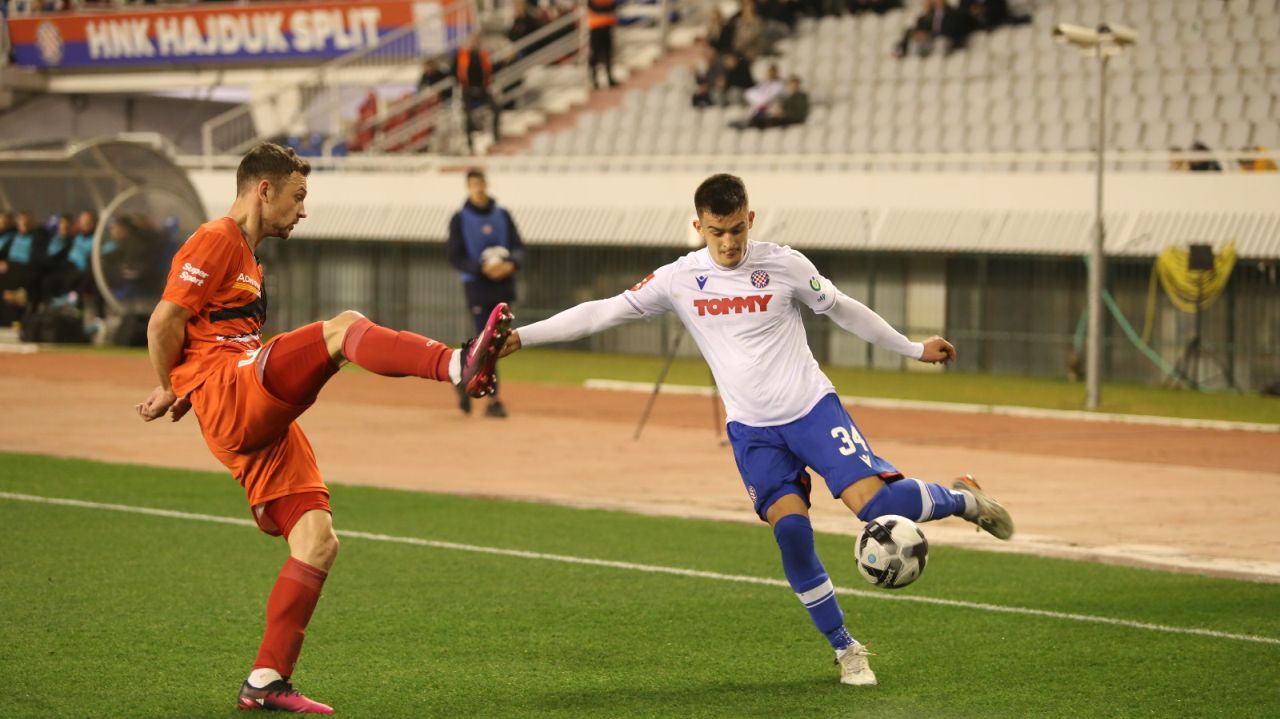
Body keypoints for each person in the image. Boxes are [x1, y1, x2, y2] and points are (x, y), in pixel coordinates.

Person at [495, 174, 1014, 685]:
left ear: (751, 219)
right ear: (698, 227)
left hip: (812, 410)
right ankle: (846, 648)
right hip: (753, 431)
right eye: (716, 232)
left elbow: (843, 310)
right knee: (791, 533)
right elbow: (602, 312)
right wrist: (523, 337)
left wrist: (913, 348)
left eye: (737, 229)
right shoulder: (679, 278)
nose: (728, 242)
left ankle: (964, 501)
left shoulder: (785, 265)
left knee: (878, 506)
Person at [135, 143, 513, 713]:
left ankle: (266, 681)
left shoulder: (250, 259)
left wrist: (186, 383)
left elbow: (206, 329)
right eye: (298, 196)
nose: (303, 209)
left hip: (242, 401)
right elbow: (164, 320)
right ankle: (458, 365)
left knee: (317, 541)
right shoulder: (216, 238)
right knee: (343, 329)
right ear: (264, 190)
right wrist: (170, 384)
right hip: (230, 389)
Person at [447, 168, 525, 418]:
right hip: (478, 286)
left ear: (486, 184)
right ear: (468, 187)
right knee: (487, 341)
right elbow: (455, 256)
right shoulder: (460, 218)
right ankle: (493, 399)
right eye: (474, 184)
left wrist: (510, 264)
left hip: (503, 284)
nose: (478, 188)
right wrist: (482, 269)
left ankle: (460, 378)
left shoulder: (502, 215)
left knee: (496, 341)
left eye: (481, 183)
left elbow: (519, 247)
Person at [453, 34, 502, 153]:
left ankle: (496, 136)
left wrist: (504, 62)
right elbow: (455, 72)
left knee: (496, 109)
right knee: (467, 116)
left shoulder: (484, 55)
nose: (474, 43)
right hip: (468, 90)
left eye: (477, 41)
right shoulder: (461, 56)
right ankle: (470, 143)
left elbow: (492, 69)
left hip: (482, 89)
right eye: (472, 41)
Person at [586, 0, 618, 88]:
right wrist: (605, 9)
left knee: (608, 54)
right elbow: (594, 7)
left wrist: (604, 9)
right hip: (596, 28)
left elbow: (613, 6)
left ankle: (610, 78)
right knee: (595, 55)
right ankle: (594, 80)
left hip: (607, 26)